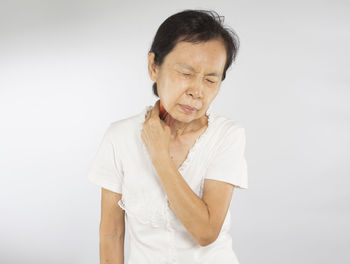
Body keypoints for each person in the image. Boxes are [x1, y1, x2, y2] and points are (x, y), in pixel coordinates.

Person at [88, 9, 248, 264]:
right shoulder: (120, 136)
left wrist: (160, 155)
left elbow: (206, 232)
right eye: (186, 74)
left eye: (210, 79)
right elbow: (111, 234)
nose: (197, 91)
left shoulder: (227, 135)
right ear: (154, 66)